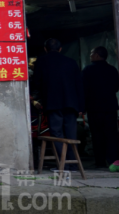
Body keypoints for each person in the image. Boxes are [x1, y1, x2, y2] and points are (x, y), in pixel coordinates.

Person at [33, 38, 85, 169]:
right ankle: (73, 165)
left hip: (52, 103)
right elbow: (79, 85)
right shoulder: (71, 62)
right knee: (71, 134)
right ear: (61, 49)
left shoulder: (41, 62)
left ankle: (63, 165)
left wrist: (36, 98)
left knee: (57, 134)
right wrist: (81, 106)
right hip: (71, 103)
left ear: (45, 49)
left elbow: (36, 83)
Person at [82, 46, 119, 168]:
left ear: (97, 56)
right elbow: (116, 88)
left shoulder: (87, 70)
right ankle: (112, 160)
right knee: (111, 135)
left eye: (92, 53)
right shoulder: (113, 70)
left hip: (94, 108)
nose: (90, 55)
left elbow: (83, 89)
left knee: (97, 135)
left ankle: (100, 162)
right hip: (110, 107)